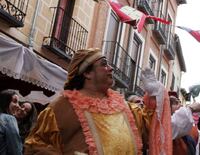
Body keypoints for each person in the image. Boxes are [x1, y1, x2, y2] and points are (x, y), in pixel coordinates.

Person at [24, 48, 172, 154]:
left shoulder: (124, 106)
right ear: (87, 73)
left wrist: (155, 95)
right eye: (104, 64)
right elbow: (36, 146)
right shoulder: (62, 107)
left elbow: (151, 128)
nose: (111, 68)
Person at [0, 89, 23, 154]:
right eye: (15, 101)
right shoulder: (9, 119)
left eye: (18, 102)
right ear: (5, 102)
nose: (18, 106)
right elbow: (16, 149)